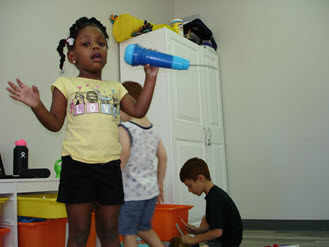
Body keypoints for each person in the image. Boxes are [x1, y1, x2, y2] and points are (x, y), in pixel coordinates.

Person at [6, 17, 159, 247]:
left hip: (109, 169)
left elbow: (138, 110)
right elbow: (55, 123)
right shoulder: (65, 85)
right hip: (76, 168)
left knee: (109, 233)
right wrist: (37, 105)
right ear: (72, 56)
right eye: (86, 44)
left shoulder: (115, 87)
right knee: (78, 234)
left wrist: (150, 78)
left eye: (100, 43)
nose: (95, 47)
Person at [118, 80, 167, 247]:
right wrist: (159, 183)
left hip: (131, 193)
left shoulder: (125, 128)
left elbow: (123, 156)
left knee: (128, 232)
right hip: (150, 191)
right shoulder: (152, 129)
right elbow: (163, 156)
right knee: (144, 228)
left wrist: (109, 181)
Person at [179, 157, 243, 247]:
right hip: (221, 236)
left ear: (200, 178)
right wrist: (198, 230)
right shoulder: (213, 194)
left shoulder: (215, 199)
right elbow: (214, 222)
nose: (189, 190)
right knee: (205, 218)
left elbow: (217, 232)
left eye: (190, 186)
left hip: (227, 241)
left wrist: (193, 239)